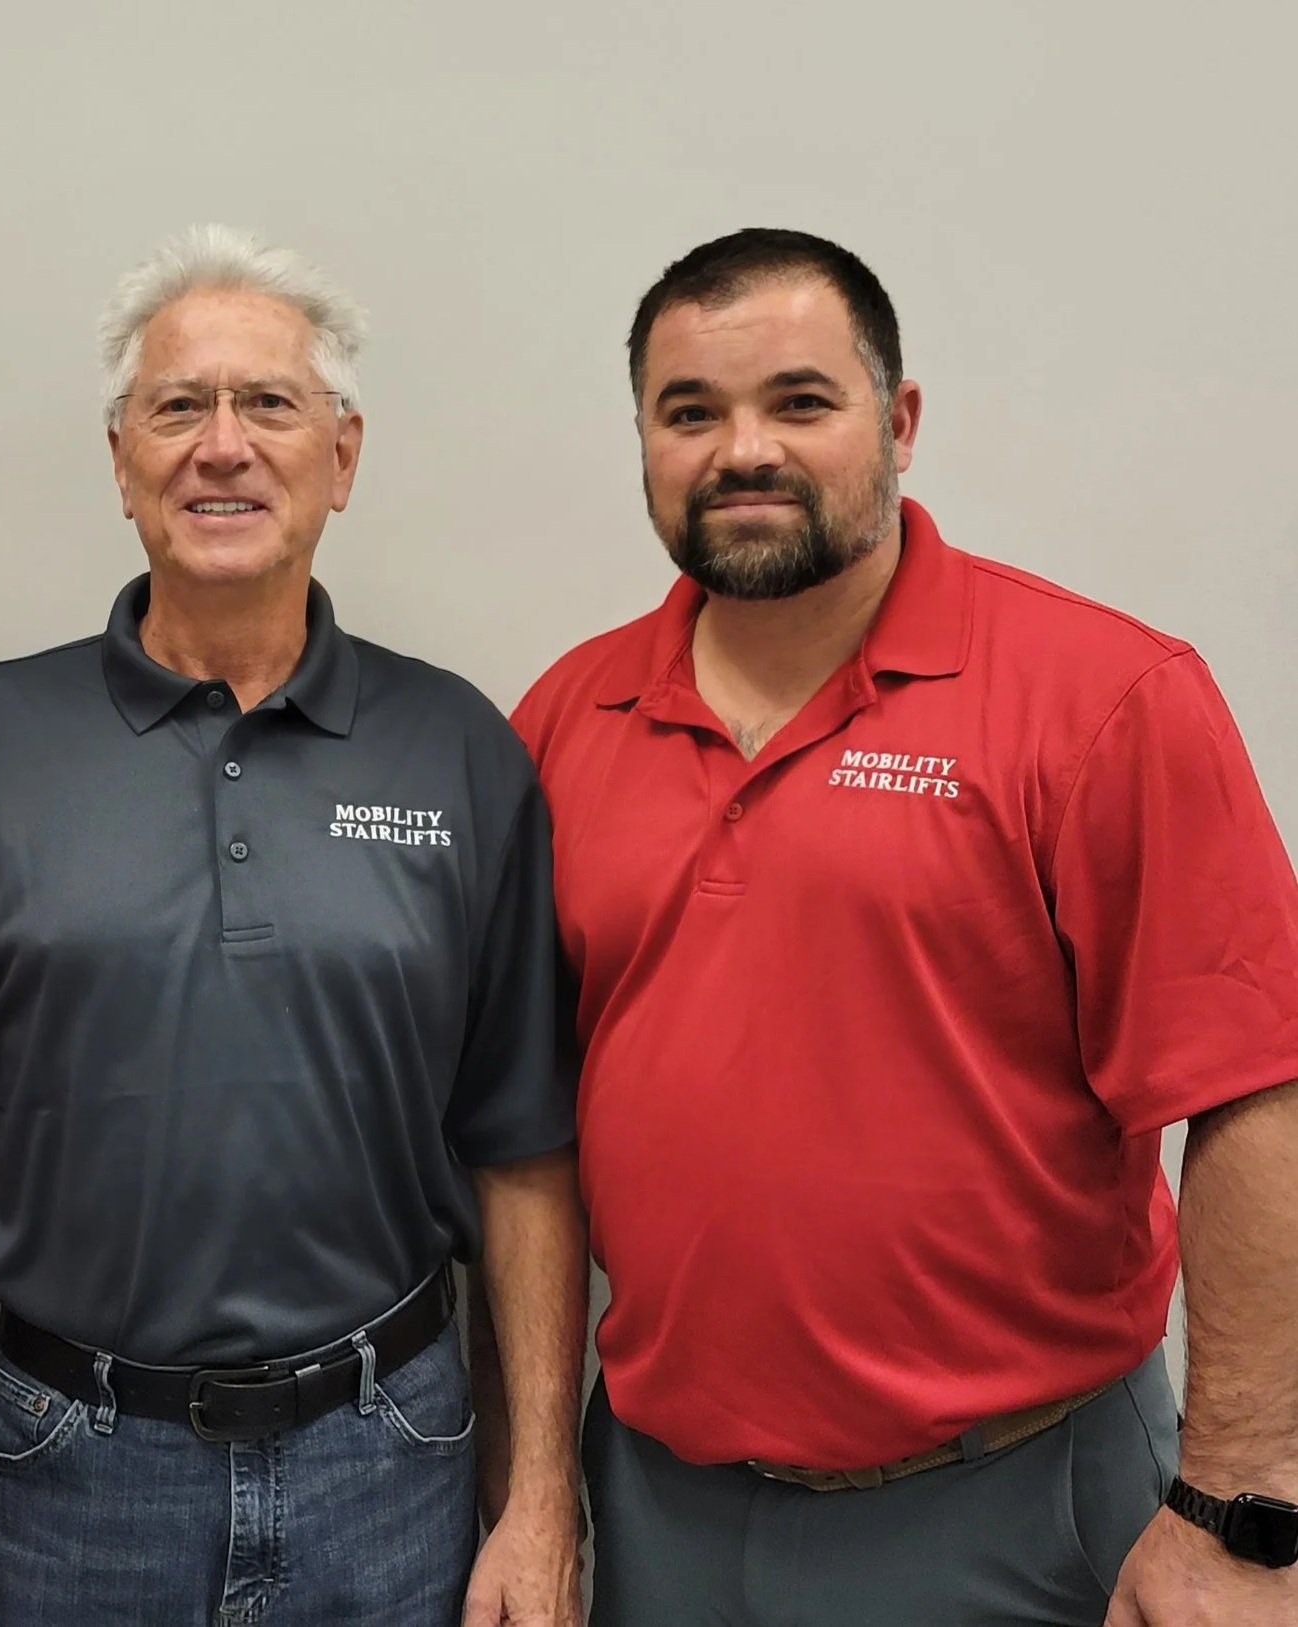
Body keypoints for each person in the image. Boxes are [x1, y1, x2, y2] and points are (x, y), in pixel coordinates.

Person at [513, 226, 1298, 1626]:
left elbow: (1254, 1095)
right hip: (656, 1508)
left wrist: (1239, 1506)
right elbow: (526, 1137)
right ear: (640, 438)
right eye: (688, 412)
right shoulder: (565, 720)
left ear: (899, 421)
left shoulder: (1100, 699)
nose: (741, 449)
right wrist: (536, 1495)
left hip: (1014, 1510)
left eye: (798, 402)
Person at [0, 224, 583, 1627]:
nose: (222, 446)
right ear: (120, 459)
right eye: (178, 407)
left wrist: (535, 1491)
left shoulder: (459, 751)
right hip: (68, 1466)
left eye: (268, 405)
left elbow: (522, 1151)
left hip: (393, 1455)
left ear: (342, 458)